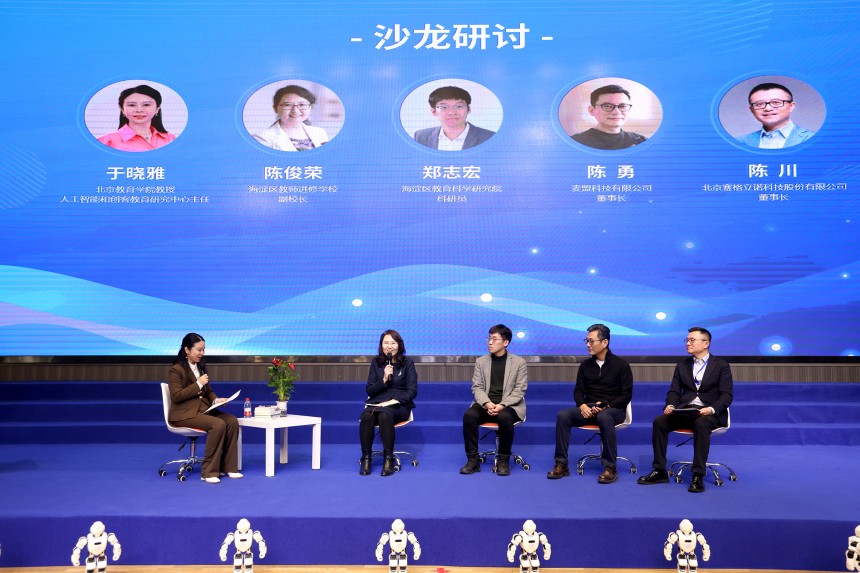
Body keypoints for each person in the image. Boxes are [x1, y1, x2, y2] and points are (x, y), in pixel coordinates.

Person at [638, 327, 733, 493]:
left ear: (706, 343)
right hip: (686, 410)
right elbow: (674, 391)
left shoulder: (721, 365)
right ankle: (659, 470)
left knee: (701, 423)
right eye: (687, 340)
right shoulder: (682, 364)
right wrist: (670, 405)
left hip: (709, 413)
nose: (688, 343)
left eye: (692, 340)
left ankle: (698, 474)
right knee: (660, 421)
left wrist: (711, 409)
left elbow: (727, 395)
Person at [547, 324, 633, 483]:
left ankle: (610, 467)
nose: (588, 345)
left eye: (591, 341)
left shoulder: (621, 365)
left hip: (613, 409)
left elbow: (626, 395)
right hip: (590, 408)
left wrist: (605, 406)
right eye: (586, 341)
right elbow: (578, 391)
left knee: (604, 417)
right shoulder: (585, 365)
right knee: (563, 415)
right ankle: (561, 464)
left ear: (605, 342)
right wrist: (582, 405)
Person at [167, 332, 241, 484]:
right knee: (217, 424)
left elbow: (208, 391)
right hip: (184, 414)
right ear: (187, 350)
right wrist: (198, 384)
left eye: (203, 350)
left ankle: (228, 467)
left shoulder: (201, 367)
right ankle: (208, 472)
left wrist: (216, 400)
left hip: (203, 410)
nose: (202, 353)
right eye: (199, 350)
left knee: (232, 421)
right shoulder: (176, 370)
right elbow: (176, 396)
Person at [460, 324, 527, 476]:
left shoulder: (519, 362)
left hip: (509, 405)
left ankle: (503, 460)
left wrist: (502, 405)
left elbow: (519, 390)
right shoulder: (481, 361)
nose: (490, 342)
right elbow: (477, 387)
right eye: (489, 338)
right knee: (469, 415)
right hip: (486, 404)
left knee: (504, 417)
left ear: (505, 342)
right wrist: (487, 403)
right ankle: (473, 460)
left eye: (494, 339)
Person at [359, 330, 418, 476]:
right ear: (381, 345)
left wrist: (394, 400)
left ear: (399, 345)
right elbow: (370, 390)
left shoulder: (408, 363)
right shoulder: (376, 363)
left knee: (385, 415)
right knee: (366, 415)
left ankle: (388, 459)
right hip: (378, 404)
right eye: (386, 343)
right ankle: (366, 458)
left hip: (399, 405)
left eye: (393, 343)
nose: (389, 346)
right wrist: (384, 379)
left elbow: (412, 391)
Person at [413, 86, 496, 151]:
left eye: (459, 106)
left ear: (468, 109)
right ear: (433, 111)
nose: (452, 112)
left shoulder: (490, 137)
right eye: (444, 107)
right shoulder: (421, 136)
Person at [97, 84, 176, 151]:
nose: (139, 110)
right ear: (122, 110)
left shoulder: (171, 139)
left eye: (146, 105)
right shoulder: (106, 141)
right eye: (132, 105)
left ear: (157, 109)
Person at [737, 82, 815, 149]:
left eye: (776, 102)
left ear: (791, 106)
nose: (768, 108)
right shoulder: (740, 142)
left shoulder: (813, 139)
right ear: (752, 109)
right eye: (759, 104)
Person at [253, 85, 329, 151]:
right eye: (287, 105)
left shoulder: (320, 132)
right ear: (275, 108)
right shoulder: (262, 138)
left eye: (302, 105)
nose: (295, 110)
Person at [571, 84, 647, 150]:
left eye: (622, 106)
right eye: (607, 106)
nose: (616, 112)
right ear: (592, 110)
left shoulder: (641, 142)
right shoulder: (575, 143)